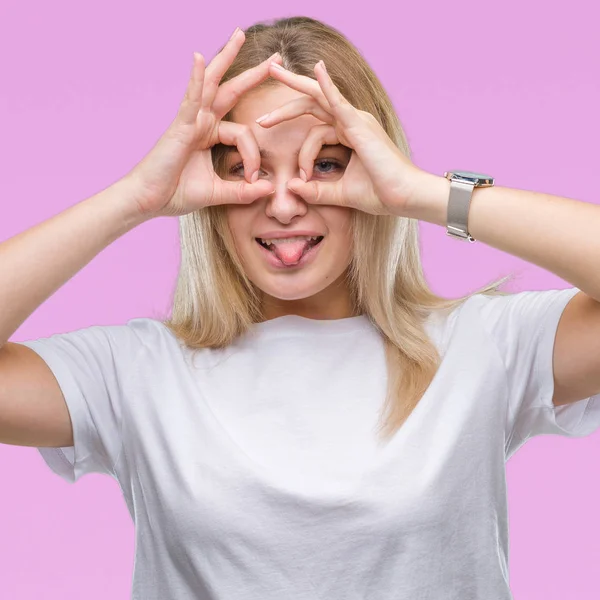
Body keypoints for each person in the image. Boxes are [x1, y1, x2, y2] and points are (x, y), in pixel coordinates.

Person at [1, 15, 600, 600]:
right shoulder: (134, 372)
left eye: (326, 165)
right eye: (246, 169)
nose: (285, 204)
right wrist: (136, 197)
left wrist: (423, 193)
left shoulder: (483, 346)